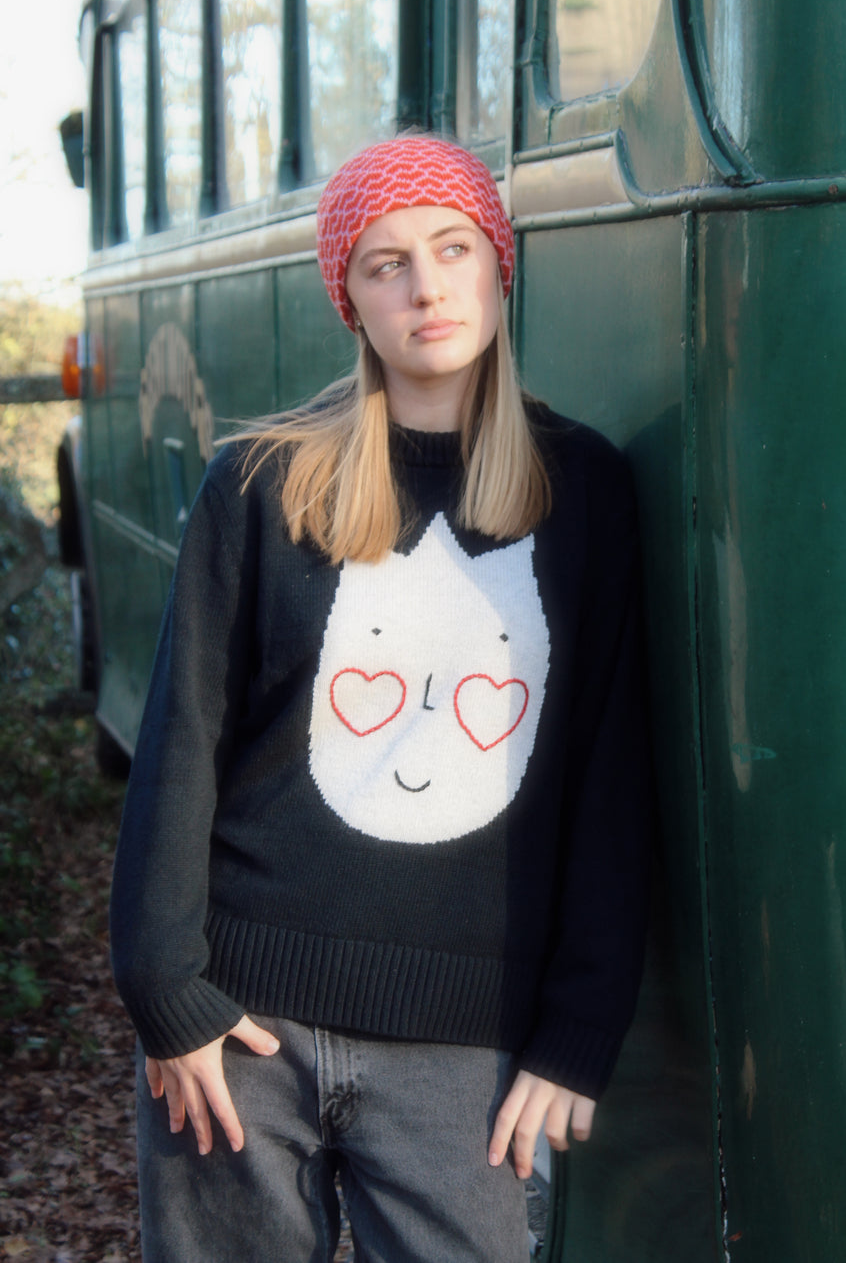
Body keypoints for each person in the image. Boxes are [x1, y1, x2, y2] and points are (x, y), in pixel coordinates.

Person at [110, 135, 652, 1263]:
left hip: (470, 1050)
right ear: (349, 298)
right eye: (385, 263)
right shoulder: (261, 484)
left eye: (454, 249)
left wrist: (579, 1029)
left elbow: (612, 782)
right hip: (243, 1027)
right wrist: (165, 988)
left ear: (499, 265)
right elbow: (181, 746)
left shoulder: (587, 492)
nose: (427, 287)